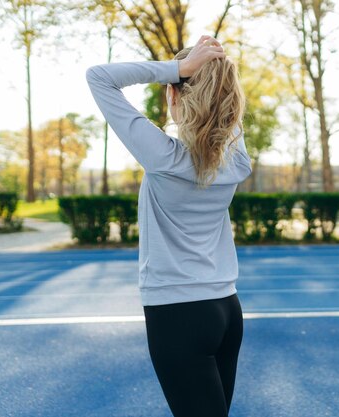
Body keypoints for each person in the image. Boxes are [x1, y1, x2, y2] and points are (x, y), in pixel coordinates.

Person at [85, 35, 251, 417]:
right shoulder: (237, 161)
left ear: (174, 97)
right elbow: (227, 113)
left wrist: (179, 69)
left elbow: (99, 76)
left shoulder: (162, 156)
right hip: (227, 309)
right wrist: (213, 72)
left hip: (177, 315)